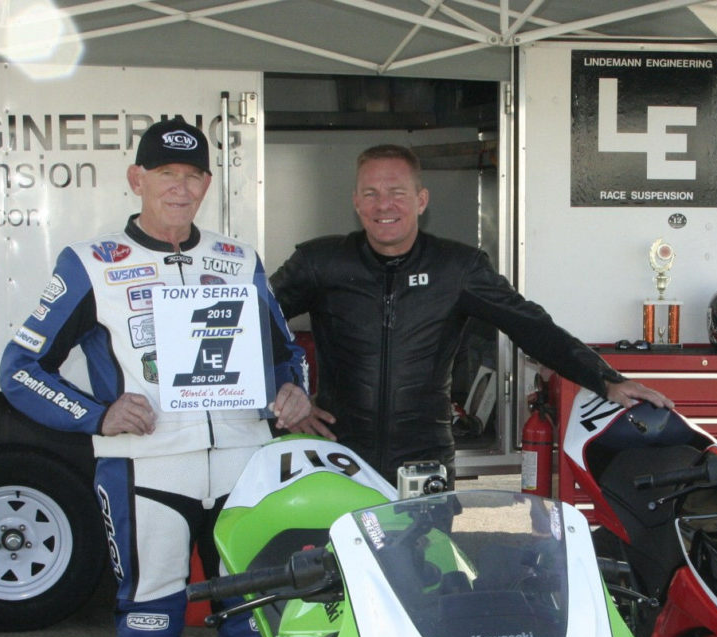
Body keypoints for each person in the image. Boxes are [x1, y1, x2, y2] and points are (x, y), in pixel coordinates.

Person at [0, 118, 311, 637]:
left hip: (243, 471)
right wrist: (97, 412)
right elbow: (21, 369)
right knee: (147, 633)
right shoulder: (93, 262)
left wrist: (293, 390)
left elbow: (286, 356)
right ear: (136, 179)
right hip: (144, 476)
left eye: (192, 175)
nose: (180, 185)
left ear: (206, 184)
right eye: (164, 174)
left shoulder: (238, 258)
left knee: (255, 630)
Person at [270, 143, 673, 484]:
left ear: (421, 199)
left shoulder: (457, 267)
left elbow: (529, 325)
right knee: (338, 569)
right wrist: (288, 387)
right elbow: (247, 325)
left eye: (396, 191)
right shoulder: (319, 263)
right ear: (356, 201)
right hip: (338, 455)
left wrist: (605, 379)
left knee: (423, 572)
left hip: (424, 458)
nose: (384, 205)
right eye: (370, 193)